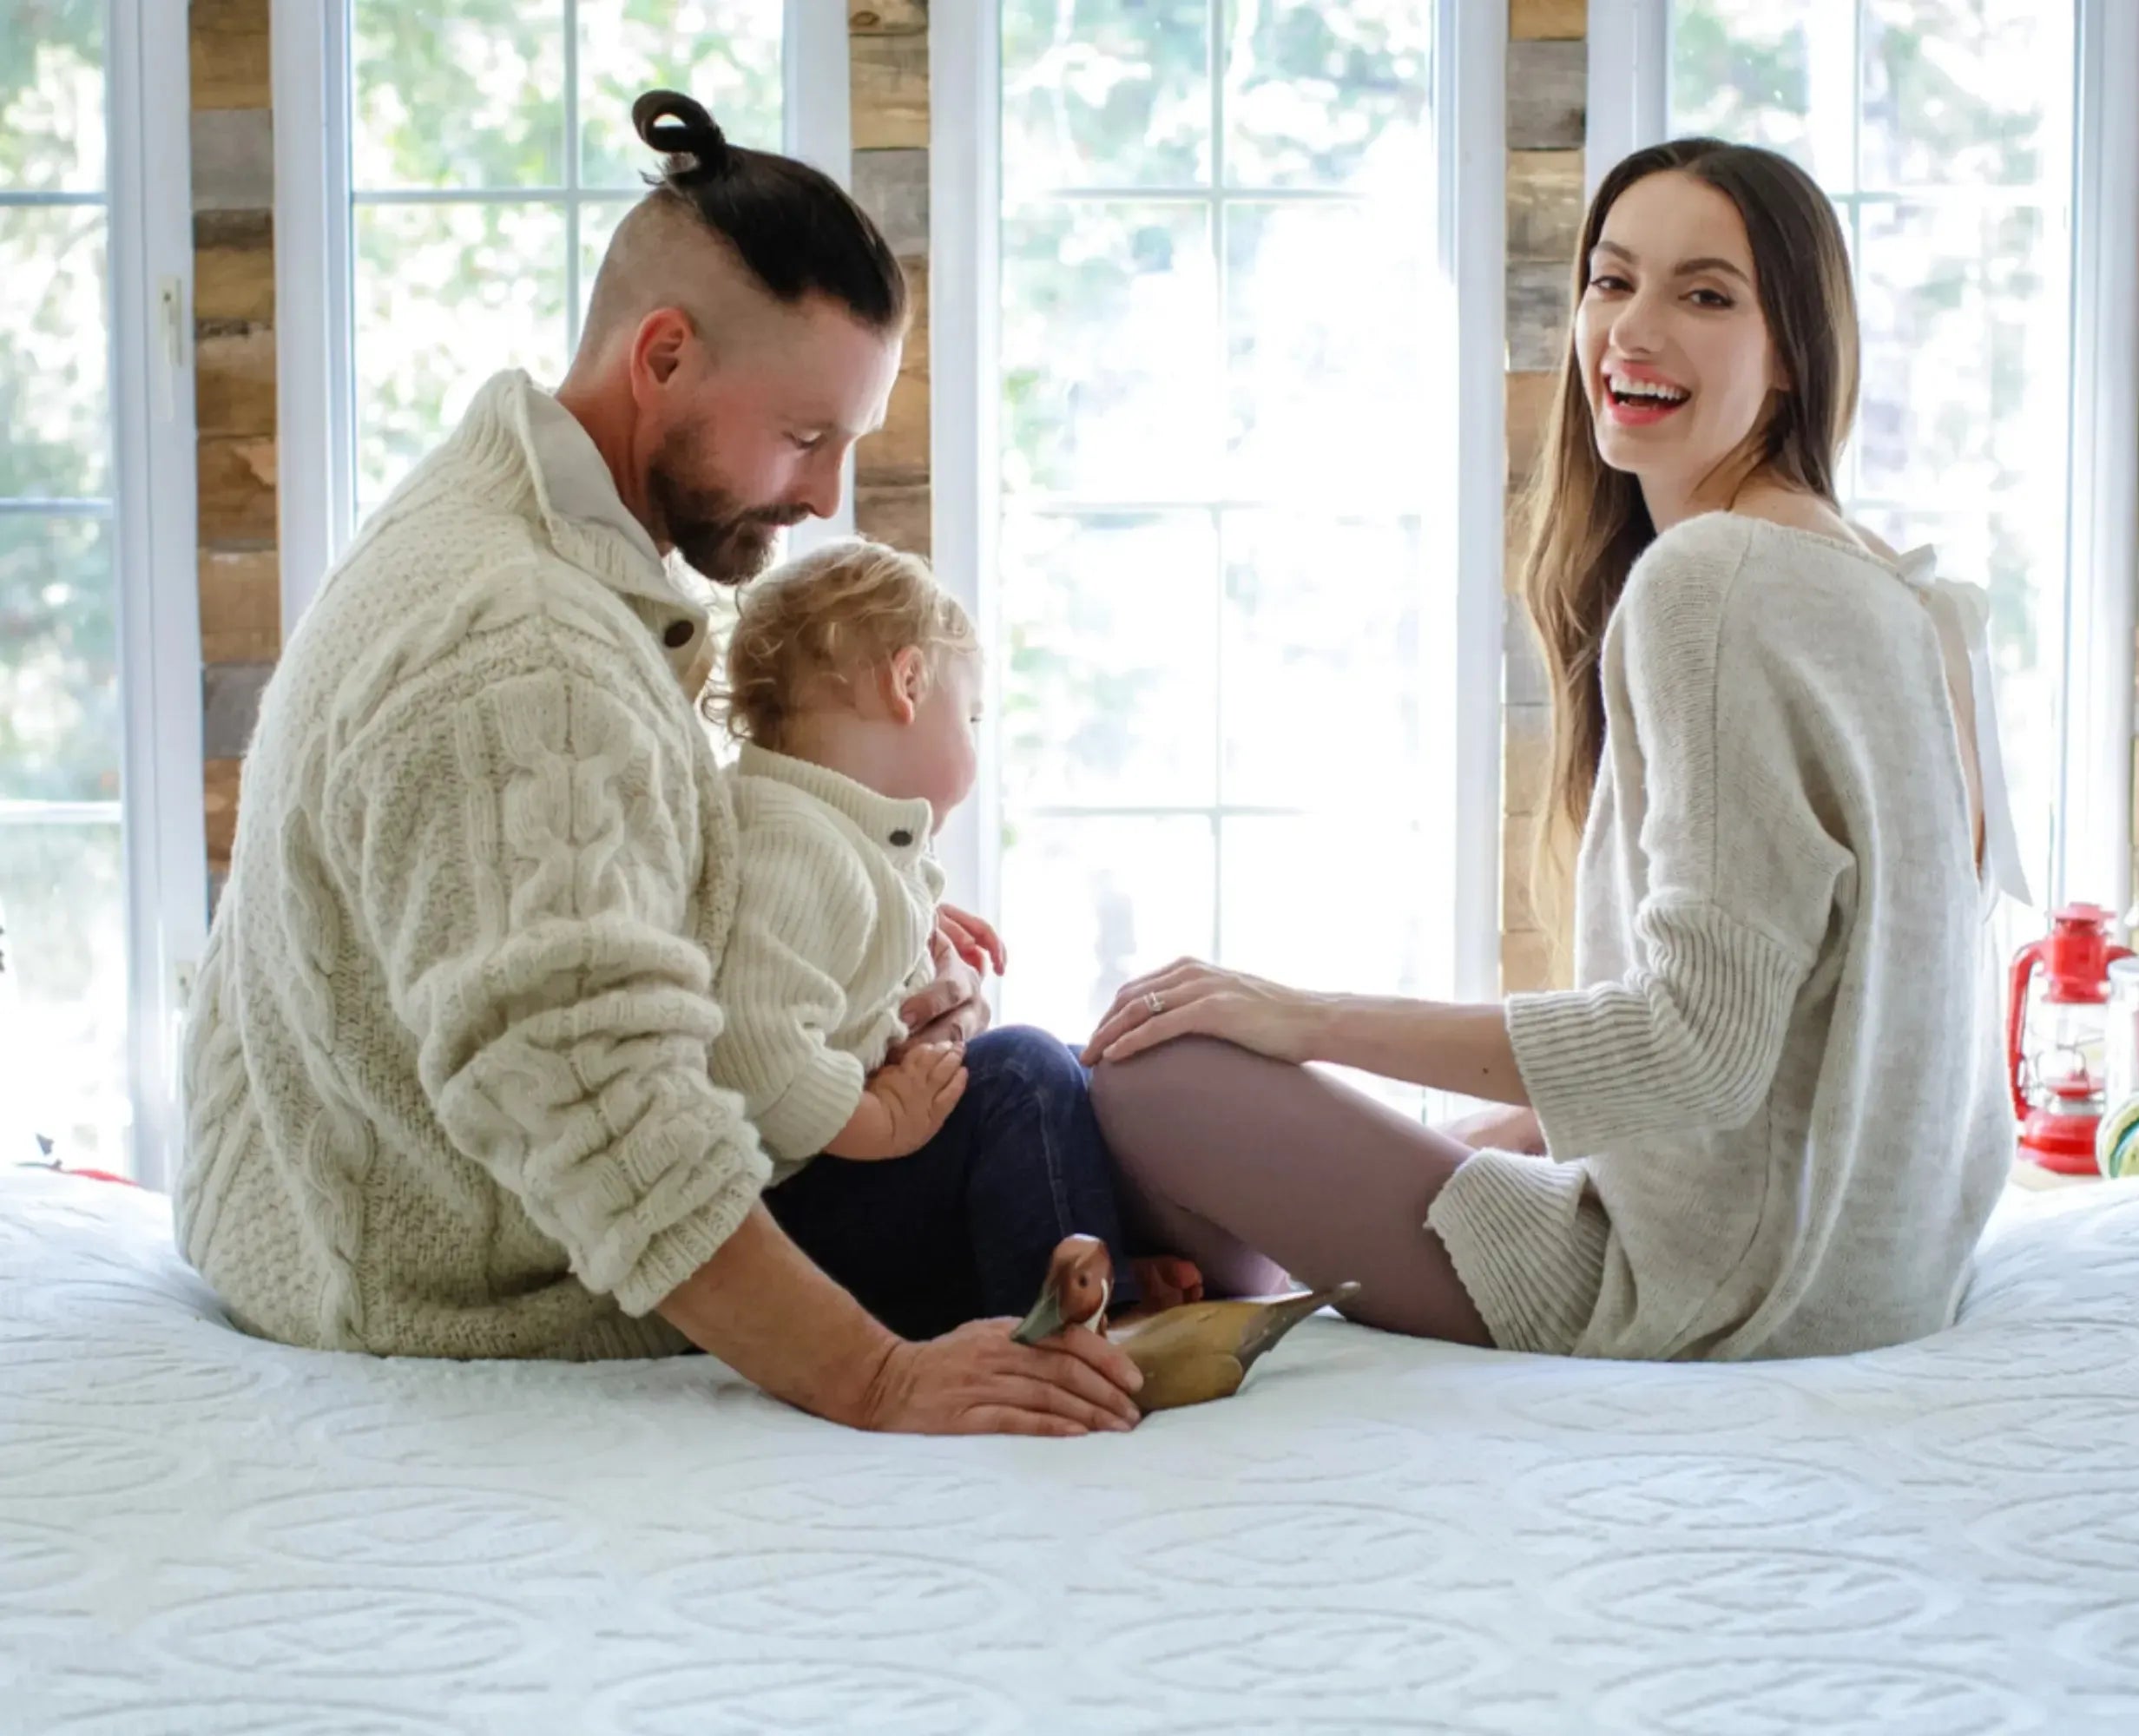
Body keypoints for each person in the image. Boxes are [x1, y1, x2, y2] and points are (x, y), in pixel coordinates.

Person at [174, 89, 1142, 1437]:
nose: (822, 497)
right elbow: (599, 1107)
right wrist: (884, 1378)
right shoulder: (528, 652)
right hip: (465, 1275)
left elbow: (610, 893)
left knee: (1047, 1091)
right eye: (807, 439)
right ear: (665, 357)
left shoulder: (508, 518)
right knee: (1041, 1092)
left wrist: (864, 964)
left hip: (334, 1200)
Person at [1082, 138, 2017, 1362]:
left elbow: (1697, 1052)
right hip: (1873, 1270)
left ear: (1793, 351)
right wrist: (1524, 1124)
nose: (1632, 330)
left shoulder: (1712, 579)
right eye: (1611, 281)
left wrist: (1299, 1015)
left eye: (1704, 295)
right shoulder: (1908, 595)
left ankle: (1132, 1293)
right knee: (1477, 1130)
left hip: (1723, 1294)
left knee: (1159, 1075)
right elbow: (1817, 1021)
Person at [697, 538, 1201, 1336]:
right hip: (797, 1212)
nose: (973, 734)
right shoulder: (793, 843)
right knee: (1026, 1075)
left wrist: (908, 932)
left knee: (1063, 1070)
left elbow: (831, 976)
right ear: (908, 683)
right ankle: (1062, 1330)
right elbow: (757, 1053)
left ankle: (1098, 1269)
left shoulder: (830, 833)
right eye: (968, 713)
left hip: (837, 1198)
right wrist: (882, 1124)